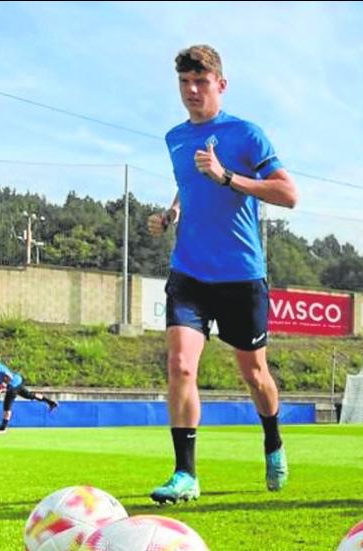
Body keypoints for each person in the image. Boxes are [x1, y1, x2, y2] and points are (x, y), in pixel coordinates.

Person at [146, 44, 298, 504]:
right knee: (180, 365)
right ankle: (185, 474)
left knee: (254, 375)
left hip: (240, 275)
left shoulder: (247, 135)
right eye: (184, 83)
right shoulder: (174, 137)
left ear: (220, 84)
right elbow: (186, 183)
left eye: (201, 82)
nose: (191, 91)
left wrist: (228, 177)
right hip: (189, 270)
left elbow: (289, 194)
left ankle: (272, 440)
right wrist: (171, 213)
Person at [0, 360, 58, 431]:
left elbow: (8, 377)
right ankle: (50, 402)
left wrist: (2, 387)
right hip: (17, 380)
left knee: (7, 407)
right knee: (30, 395)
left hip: (13, 384)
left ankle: (2, 428)